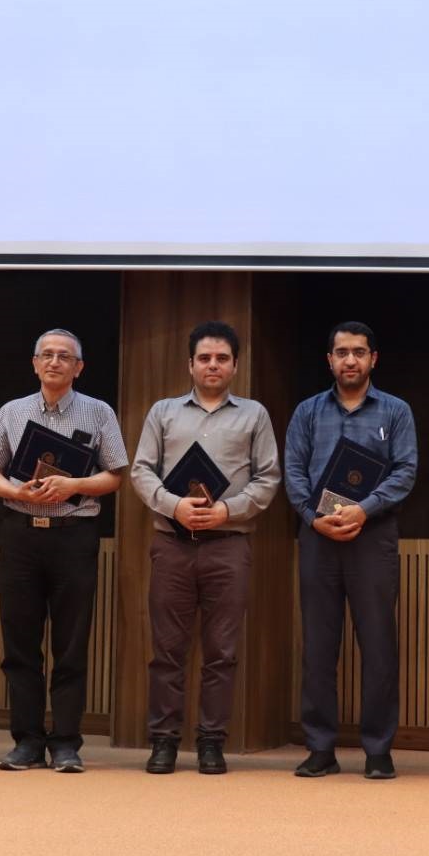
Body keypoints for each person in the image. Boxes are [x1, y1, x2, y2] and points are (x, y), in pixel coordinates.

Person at [130, 321, 281, 775]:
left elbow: (268, 478)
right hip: (172, 544)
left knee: (221, 652)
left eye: (221, 358)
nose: (212, 365)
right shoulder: (163, 412)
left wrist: (227, 511)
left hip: (228, 546)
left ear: (235, 365)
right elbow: (141, 471)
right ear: (190, 364)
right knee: (167, 650)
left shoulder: (254, 415)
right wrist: (173, 505)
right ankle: (164, 741)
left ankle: (212, 741)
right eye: (204, 358)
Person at [0, 328, 129, 773]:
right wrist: (14, 489)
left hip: (73, 535)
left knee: (71, 643)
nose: (55, 362)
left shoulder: (98, 412)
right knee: (19, 643)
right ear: (35, 363)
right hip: (20, 534)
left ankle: (65, 742)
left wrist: (73, 484)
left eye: (65, 356)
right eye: (46, 354)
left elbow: (115, 475)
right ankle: (26, 741)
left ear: (79, 367)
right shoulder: (12, 411)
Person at [284, 321, 416, 780]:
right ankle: (320, 748)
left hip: (373, 537)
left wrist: (363, 509)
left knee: (378, 646)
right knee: (319, 647)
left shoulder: (396, 411)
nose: (350, 360)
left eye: (359, 352)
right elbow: (293, 471)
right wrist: (311, 516)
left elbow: (405, 471)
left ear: (373, 359)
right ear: (330, 360)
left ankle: (378, 750)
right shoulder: (307, 412)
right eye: (341, 352)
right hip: (318, 537)